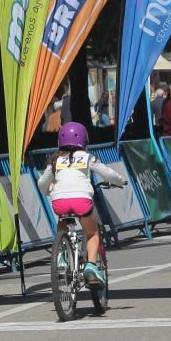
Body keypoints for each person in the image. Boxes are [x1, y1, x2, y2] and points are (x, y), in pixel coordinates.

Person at [37, 122, 127, 288]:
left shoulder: (55, 160)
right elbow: (107, 173)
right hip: (81, 201)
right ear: (85, 140)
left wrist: (49, 192)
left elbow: (42, 183)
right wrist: (121, 181)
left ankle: (62, 258)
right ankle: (91, 266)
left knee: (63, 224)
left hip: (59, 202)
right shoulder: (87, 157)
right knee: (92, 233)